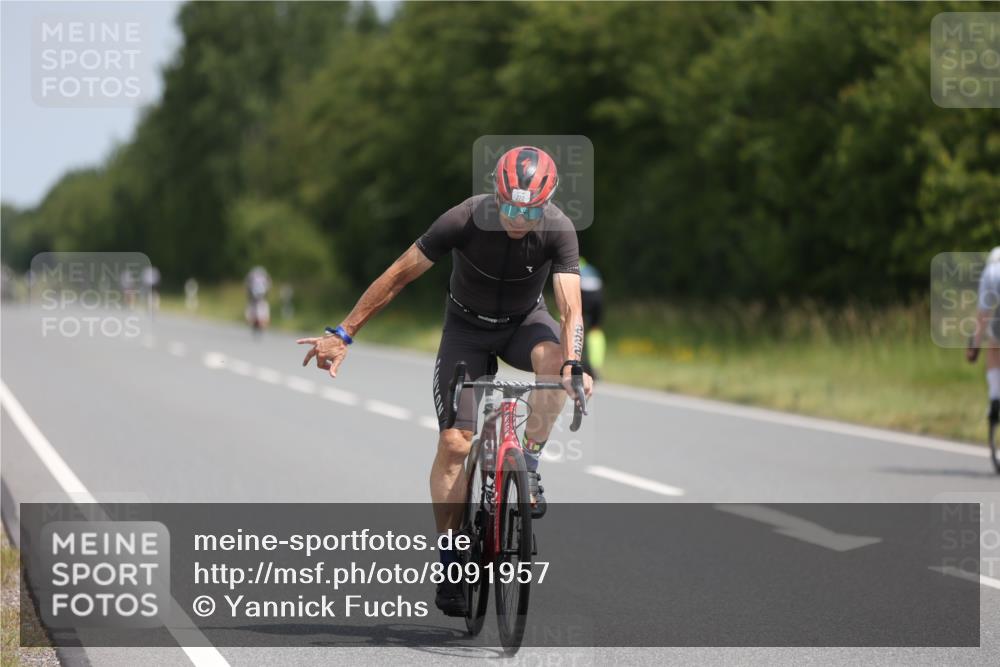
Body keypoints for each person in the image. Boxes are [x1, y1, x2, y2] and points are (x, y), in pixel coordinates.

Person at [297, 146, 594, 616]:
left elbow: (571, 307)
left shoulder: (557, 228)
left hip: (523, 324)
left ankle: (530, 466)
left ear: (547, 202)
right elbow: (398, 276)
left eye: (530, 209)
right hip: (467, 330)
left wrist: (575, 364)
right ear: (497, 196)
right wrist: (344, 333)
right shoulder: (463, 220)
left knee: (557, 365)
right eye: (511, 206)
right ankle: (453, 559)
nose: (519, 217)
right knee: (456, 443)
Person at [968, 246, 1000, 431]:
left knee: (994, 347)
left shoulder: (990, 271)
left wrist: (974, 345)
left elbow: (983, 314)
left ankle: (995, 396)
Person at [579, 257, 606, 379]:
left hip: (581, 292)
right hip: (598, 294)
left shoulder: (569, 265)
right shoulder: (591, 269)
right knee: (596, 330)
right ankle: (595, 367)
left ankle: (580, 363)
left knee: (577, 326)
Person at [245, 266, 272, 335]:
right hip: (259, 296)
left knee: (255, 309)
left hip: (256, 296)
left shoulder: (252, 277)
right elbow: (268, 287)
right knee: (261, 309)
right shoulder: (263, 278)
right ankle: (260, 323)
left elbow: (247, 286)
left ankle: (257, 323)